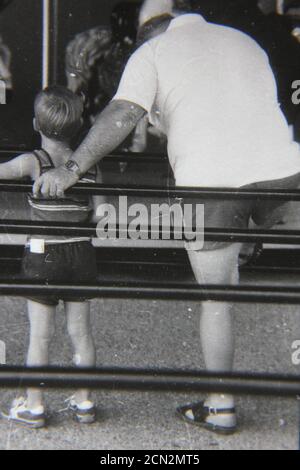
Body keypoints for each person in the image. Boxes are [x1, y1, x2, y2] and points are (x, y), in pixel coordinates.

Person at [33, 11, 300, 434]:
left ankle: (221, 406)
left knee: (217, 299)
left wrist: (71, 168)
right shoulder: (240, 38)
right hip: (286, 169)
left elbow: (123, 112)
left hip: (212, 179)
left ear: (147, 35)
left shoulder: (152, 51)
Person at [0, 86, 98, 428]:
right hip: (82, 253)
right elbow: (100, 212)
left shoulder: (33, 162)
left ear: (35, 125)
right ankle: (85, 401)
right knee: (81, 334)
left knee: (40, 336)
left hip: (42, 255)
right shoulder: (91, 165)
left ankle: (35, 405)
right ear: (80, 125)